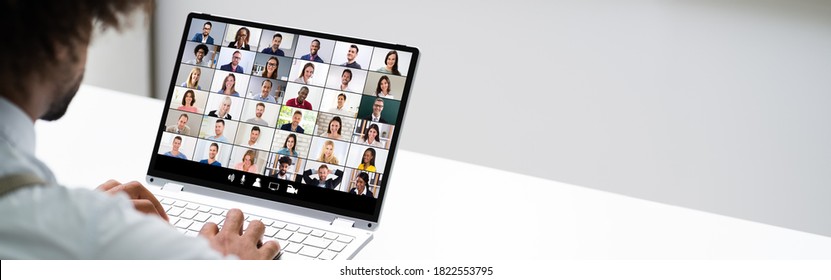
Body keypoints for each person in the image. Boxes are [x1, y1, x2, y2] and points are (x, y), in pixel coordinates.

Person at [1, 0, 277, 259]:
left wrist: (71, 217)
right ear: (59, 43)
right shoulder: (88, 233)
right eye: (89, 24)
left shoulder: (56, 220)